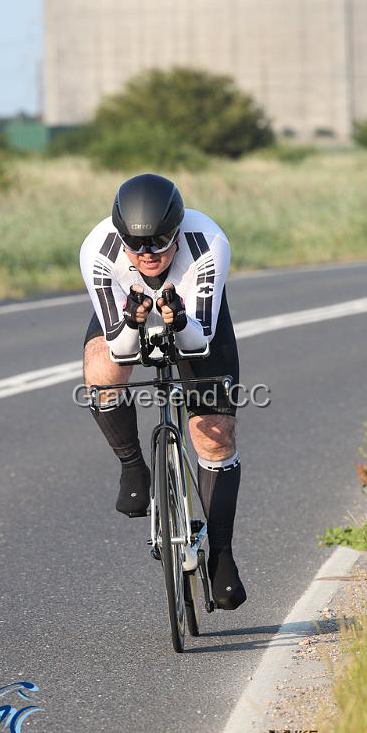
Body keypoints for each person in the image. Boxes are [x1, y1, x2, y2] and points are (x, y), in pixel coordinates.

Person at [80, 173, 246, 610]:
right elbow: (119, 348)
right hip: (126, 315)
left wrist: (176, 321)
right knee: (100, 370)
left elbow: (199, 341)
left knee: (213, 431)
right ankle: (133, 465)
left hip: (193, 317)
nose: (148, 254)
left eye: (160, 241)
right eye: (137, 245)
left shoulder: (208, 241)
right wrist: (135, 321)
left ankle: (221, 554)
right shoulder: (98, 250)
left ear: (178, 229)